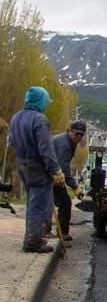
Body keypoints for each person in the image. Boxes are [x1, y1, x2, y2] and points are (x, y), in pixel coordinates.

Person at [9, 86, 63, 253]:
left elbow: (11, 142)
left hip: (22, 164)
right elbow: (46, 149)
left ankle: (31, 235)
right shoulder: (40, 120)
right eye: (46, 101)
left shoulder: (16, 117)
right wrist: (56, 170)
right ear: (41, 101)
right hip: (37, 166)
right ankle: (33, 241)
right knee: (39, 204)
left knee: (32, 202)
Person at [51, 120, 87, 241]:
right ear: (70, 131)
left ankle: (53, 231)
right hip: (47, 174)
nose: (79, 137)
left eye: (82, 134)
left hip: (52, 173)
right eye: (77, 133)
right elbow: (64, 168)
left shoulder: (69, 141)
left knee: (51, 202)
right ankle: (62, 233)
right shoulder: (64, 144)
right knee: (65, 202)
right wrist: (75, 187)